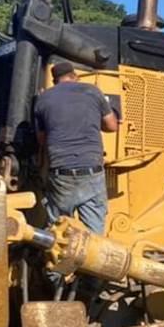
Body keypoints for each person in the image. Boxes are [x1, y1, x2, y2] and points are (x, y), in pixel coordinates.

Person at [35, 60, 118, 234]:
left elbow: (42, 139)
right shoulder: (93, 91)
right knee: (95, 235)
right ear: (75, 76)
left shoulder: (44, 99)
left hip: (61, 174)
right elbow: (112, 126)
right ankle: (93, 259)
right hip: (91, 171)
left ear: (55, 80)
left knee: (59, 233)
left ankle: (59, 258)